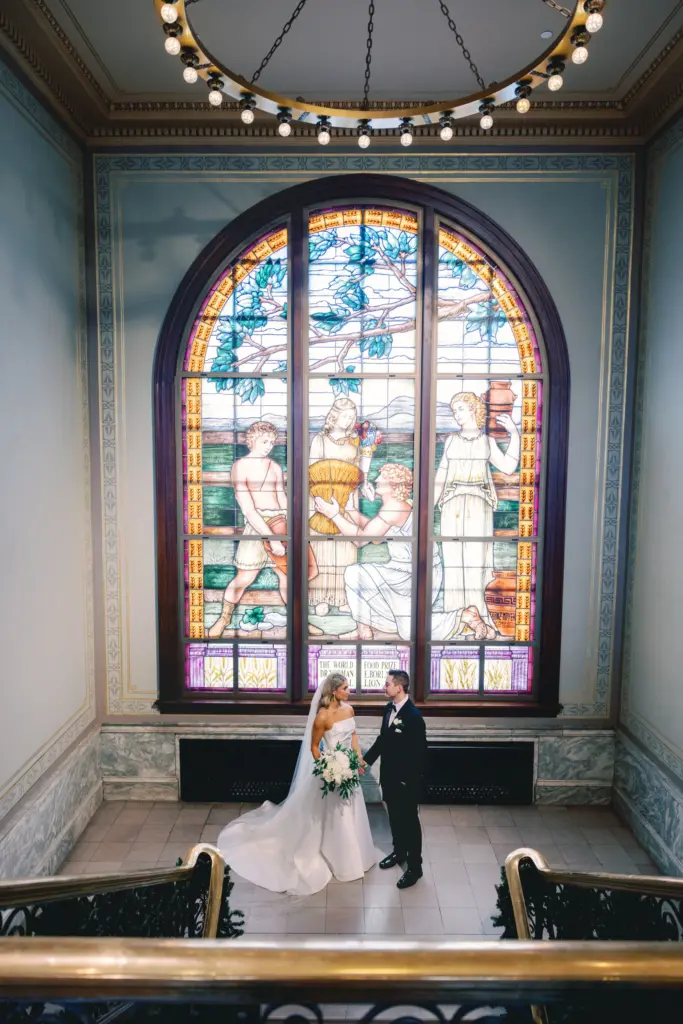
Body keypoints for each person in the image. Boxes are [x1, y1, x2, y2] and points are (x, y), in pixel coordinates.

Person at [216, 673, 378, 895]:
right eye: (346, 688)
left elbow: (354, 737)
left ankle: (357, 855)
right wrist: (328, 768)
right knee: (332, 816)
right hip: (330, 772)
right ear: (334, 691)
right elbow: (314, 747)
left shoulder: (349, 710)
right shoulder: (321, 717)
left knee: (351, 811)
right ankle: (338, 859)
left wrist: (357, 759)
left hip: (348, 769)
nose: (350, 691)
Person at [314, 463, 457, 641]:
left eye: (382, 477)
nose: (376, 479)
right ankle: (363, 629)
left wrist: (333, 515)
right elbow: (375, 536)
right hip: (402, 570)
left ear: (394, 486)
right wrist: (350, 510)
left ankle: (464, 616)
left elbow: (360, 540)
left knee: (408, 632)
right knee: (355, 573)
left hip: (414, 576)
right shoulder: (395, 506)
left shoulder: (394, 508)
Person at [433, 392, 519, 640]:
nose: (456, 414)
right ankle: (456, 619)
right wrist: (426, 510)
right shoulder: (451, 441)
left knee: (475, 562)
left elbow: (509, 466)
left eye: (460, 409)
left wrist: (515, 434)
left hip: (479, 507)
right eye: (454, 410)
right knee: (453, 563)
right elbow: (441, 476)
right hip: (452, 506)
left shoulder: (486, 441)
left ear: (473, 409)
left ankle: (478, 614)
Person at [309, 397, 375, 617]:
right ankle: (320, 598)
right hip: (322, 496)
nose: (348, 421)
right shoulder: (319, 439)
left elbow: (360, 469)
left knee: (346, 548)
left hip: (348, 498)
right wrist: (319, 498)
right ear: (334, 415)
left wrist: (365, 483)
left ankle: (343, 597)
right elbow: (312, 469)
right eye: (345, 416)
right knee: (322, 550)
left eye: (351, 417)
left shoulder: (355, 441)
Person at [363, 669, 426, 890]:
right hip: (388, 777)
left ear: (399, 687)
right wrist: (366, 762)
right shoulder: (389, 709)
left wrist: (407, 782)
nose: (384, 686)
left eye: (387, 683)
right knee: (395, 819)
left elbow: (419, 755)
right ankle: (399, 853)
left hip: (406, 782)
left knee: (410, 823)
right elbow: (383, 740)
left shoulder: (414, 717)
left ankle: (415, 868)